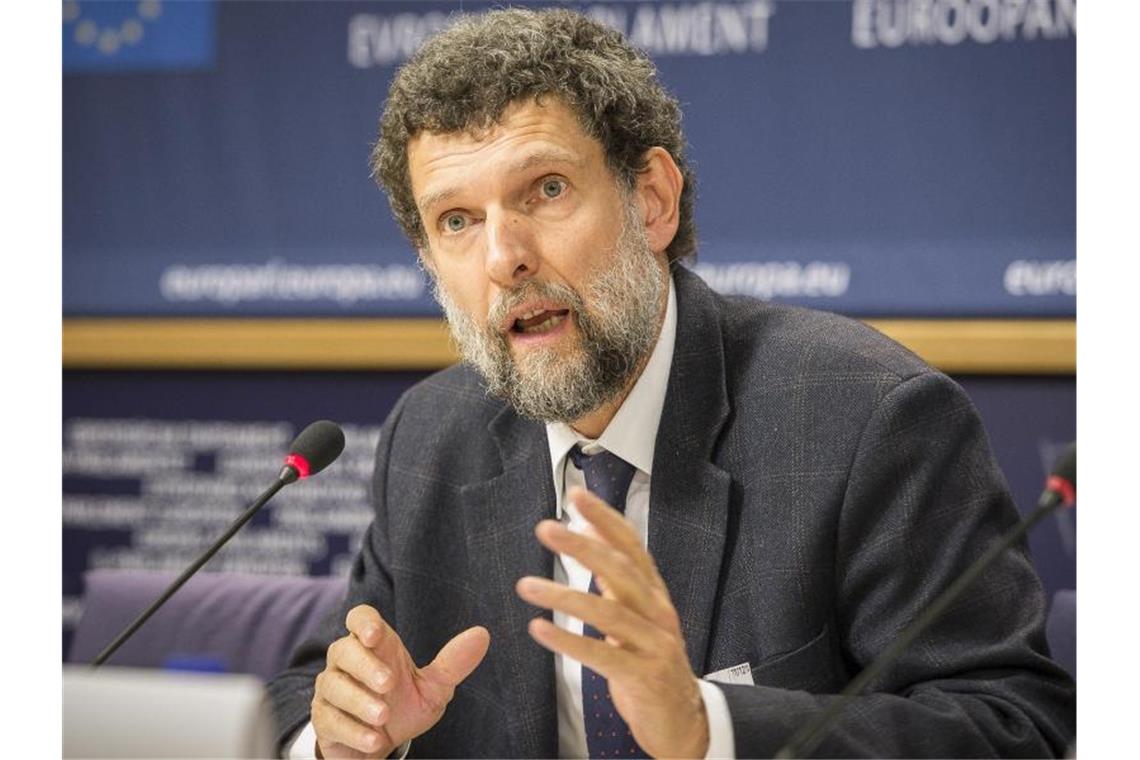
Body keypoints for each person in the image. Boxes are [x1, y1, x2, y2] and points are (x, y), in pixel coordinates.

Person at [267, 8, 1074, 758]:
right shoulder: (429, 439)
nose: (502, 257)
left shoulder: (869, 421)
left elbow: (1011, 727)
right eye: (457, 220)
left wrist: (709, 730)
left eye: (545, 190)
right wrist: (344, 736)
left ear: (651, 200)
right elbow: (310, 691)